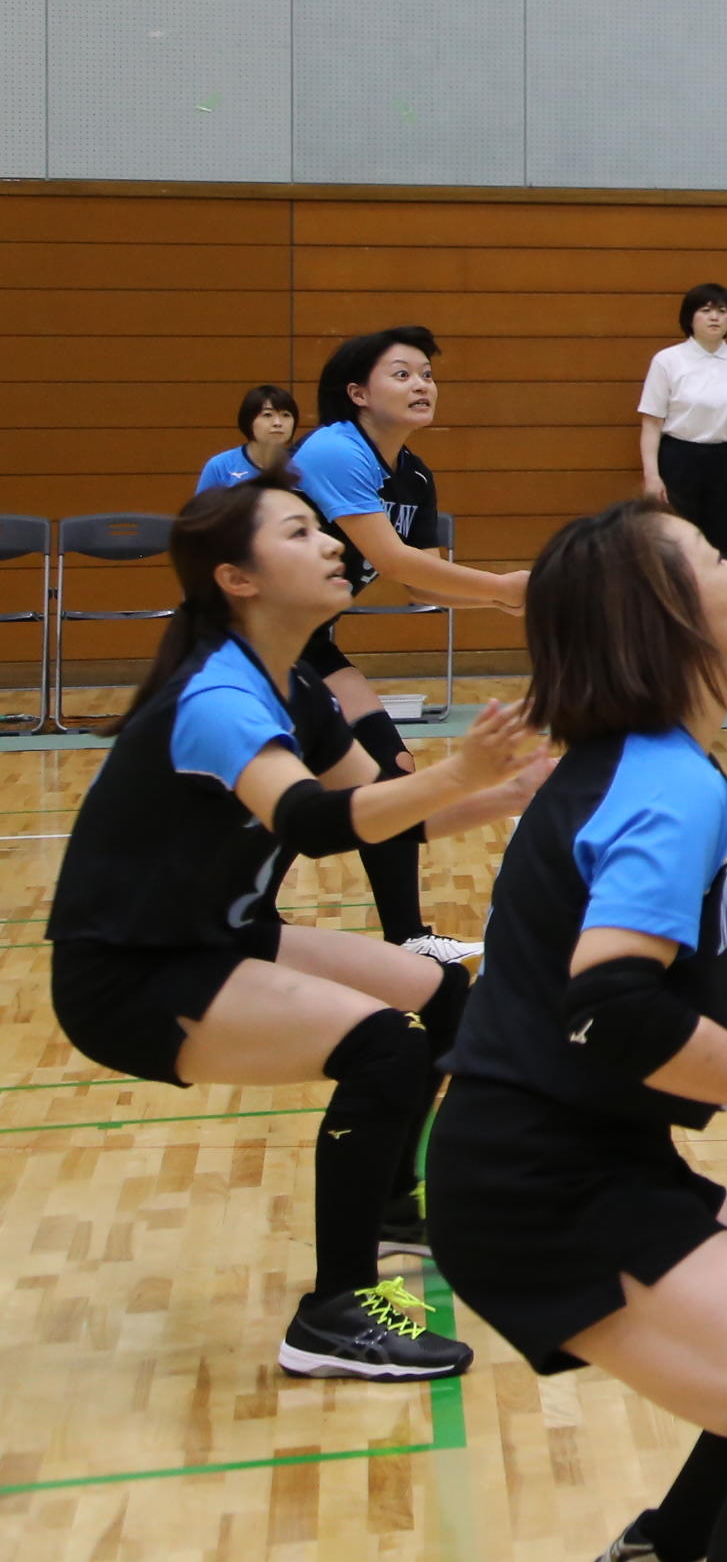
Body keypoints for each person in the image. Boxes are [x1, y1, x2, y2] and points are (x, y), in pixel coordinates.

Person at [428, 498, 727, 1562]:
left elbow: (723, 987)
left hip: (588, 1159)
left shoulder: (663, 767)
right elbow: (613, 1010)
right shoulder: (663, 783)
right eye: (710, 555)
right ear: (665, 615)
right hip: (538, 1182)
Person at [49, 481, 544, 1382]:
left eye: (323, 528)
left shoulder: (297, 685)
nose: (331, 545)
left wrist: (506, 792)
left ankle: (391, 1205)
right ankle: (334, 1314)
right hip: (131, 975)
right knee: (386, 1048)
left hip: (218, 934)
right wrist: (459, 772)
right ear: (236, 577)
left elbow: (384, 815)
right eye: (299, 532)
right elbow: (313, 823)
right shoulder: (216, 697)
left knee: (442, 992)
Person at [290, 326, 532, 962]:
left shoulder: (415, 477)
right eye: (402, 374)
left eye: (426, 374)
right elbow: (394, 560)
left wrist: (506, 600)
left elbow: (424, 583)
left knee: (389, 772)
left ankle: (409, 938)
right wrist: (502, 588)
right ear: (357, 393)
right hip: (248, 644)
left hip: (308, 645)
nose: (422, 384)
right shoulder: (335, 450)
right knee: (290, 796)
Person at [637, 282, 727, 561]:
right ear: (690, 317)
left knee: (723, 543)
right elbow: (651, 424)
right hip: (679, 458)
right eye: (706, 310)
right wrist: (652, 476)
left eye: (722, 311)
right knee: (676, 543)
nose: (715, 318)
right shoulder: (667, 361)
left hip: (726, 460)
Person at [201, 381, 305, 492]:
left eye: (286, 415)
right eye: (267, 415)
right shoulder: (221, 466)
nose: (278, 423)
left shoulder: (303, 466)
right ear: (248, 420)